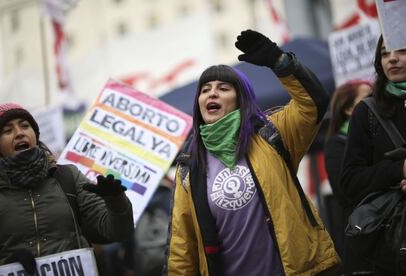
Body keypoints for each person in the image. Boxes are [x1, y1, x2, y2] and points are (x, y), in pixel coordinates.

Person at [164, 29, 340, 276]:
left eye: (223, 88)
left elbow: (313, 104)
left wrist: (280, 62)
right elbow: (182, 247)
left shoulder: (272, 134)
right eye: (205, 90)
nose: (212, 93)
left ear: (240, 100)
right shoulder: (189, 167)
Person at [0, 103, 134, 274]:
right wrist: (6, 265)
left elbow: (119, 232)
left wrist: (115, 200)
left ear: (35, 135)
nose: (19, 133)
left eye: (25, 126)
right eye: (8, 131)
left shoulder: (68, 177)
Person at [340, 35, 406, 275]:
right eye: (385, 53)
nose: (393, 59)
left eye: (402, 51)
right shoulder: (366, 112)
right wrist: (398, 170)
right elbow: (350, 182)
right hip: (386, 251)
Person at [323, 80, 372, 275]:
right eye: (368, 97)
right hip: (364, 239)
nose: (374, 101)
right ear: (349, 108)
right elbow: (348, 192)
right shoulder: (337, 146)